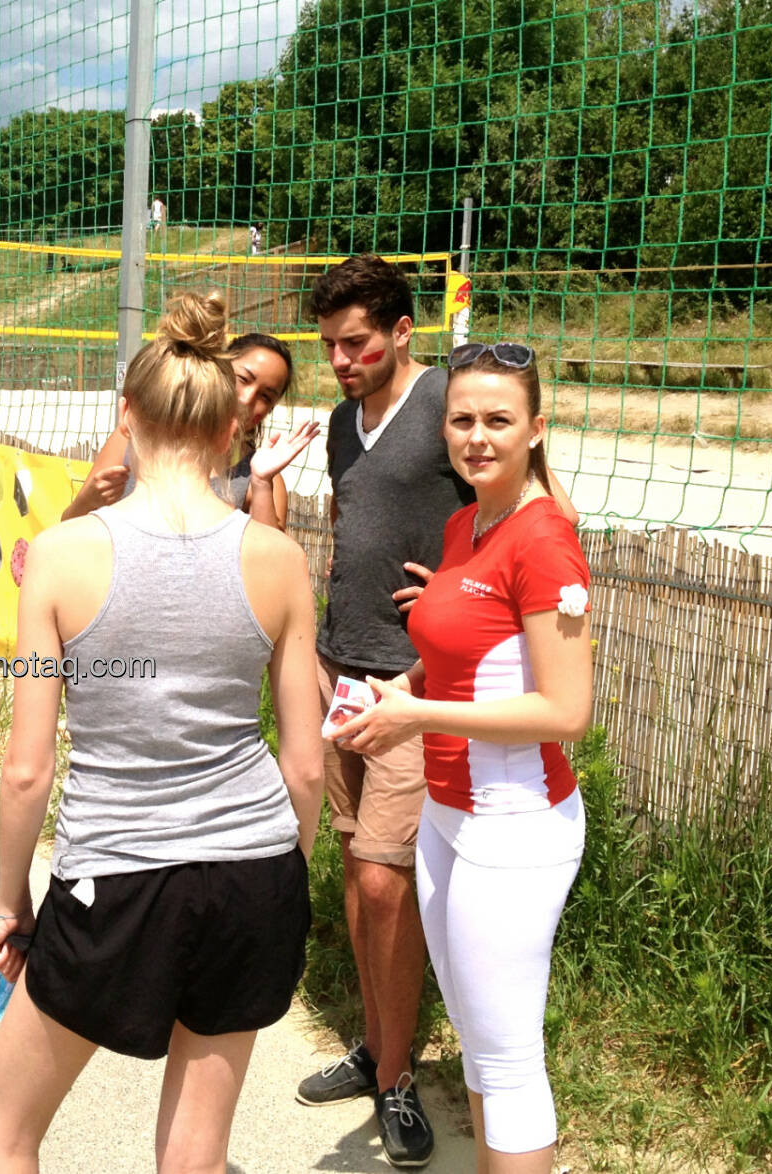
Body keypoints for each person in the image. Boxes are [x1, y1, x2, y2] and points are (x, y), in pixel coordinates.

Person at [0, 292, 325, 1174]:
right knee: (195, 1153)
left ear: (124, 414)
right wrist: (286, 871)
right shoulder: (278, 559)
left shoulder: (63, 553)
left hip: (117, 873)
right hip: (254, 866)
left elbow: (25, 771)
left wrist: (13, 903)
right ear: (225, 430)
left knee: (5, 1130)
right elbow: (306, 765)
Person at [297, 254, 569, 1167]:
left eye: (358, 341)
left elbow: (530, 513)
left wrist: (451, 612)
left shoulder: (450, 406)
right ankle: (381, 1048)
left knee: (386, 881)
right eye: (330, 345)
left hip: (425, 690)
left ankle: (400, 1081)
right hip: (355, 675)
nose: (341, 358)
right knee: (357, 870)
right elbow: (358, 524)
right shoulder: (343, 421)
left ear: (405, 334)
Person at [62, 332, 318, 530]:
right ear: (217, 371)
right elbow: (68, 525)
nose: (248, 398)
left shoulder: (259, 477)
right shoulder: (134, 436)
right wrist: (90, 500)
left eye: (266, 396)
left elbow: (270, 566)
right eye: (243, 379)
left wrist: (261, 486)